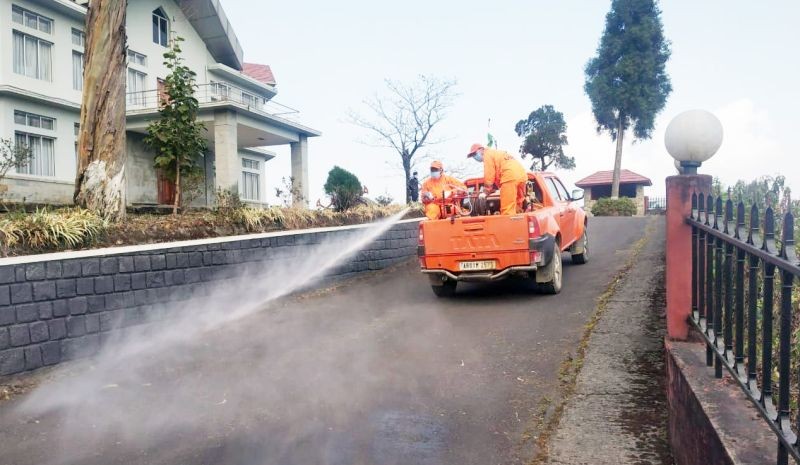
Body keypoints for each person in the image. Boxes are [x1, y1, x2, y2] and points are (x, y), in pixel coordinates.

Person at [467, 143, 527, 215]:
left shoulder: (487, 155)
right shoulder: (496, 153)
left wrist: (486, 191)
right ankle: (519, 218)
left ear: (481, 149)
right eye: (472, 156)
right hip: (522, 175)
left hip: (509, 177)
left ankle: (508, 225)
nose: (474, 157)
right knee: (518, 202)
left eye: (474, 154)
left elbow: (489, 174)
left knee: (507, 210)